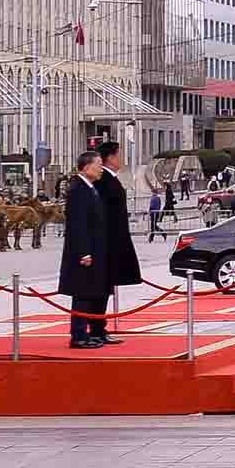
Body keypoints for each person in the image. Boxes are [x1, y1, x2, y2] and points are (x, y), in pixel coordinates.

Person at [59, 151, 113, 349]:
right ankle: (79, 335)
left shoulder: (90, 188)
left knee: (92, 292)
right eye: (98, 164)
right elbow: (78, 224)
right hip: (83, 253)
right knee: (82, 294)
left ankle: (92, 332)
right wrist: (84, 252)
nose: (101, 169)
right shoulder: (78, 189)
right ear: (87, 166)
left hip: (95, 249)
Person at [92, 139, 144, 337]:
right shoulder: (103, 181)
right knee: (100, 287)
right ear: (110, 158)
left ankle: (99, 328)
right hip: (108, 242)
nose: (121, 159)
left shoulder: (111, 179)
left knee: (106, 286)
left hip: (114, 240)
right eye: (118, 155)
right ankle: (97, 328)